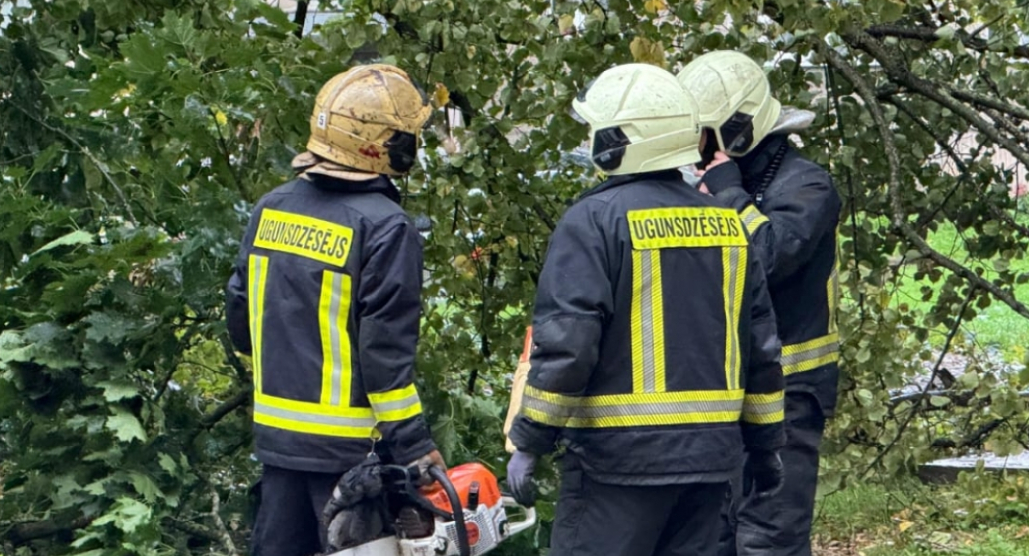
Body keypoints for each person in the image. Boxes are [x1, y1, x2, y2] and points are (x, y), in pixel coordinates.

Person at [506, 63, 787, 556]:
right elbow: (761, 349)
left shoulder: (592, 222)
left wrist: (531, 440)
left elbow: (569, 346)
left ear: (616, 142)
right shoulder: (729, 227)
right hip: (710, 464)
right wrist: (766, 447)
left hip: (616, 467)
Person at [225, 63, 445, 556]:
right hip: (353, 461)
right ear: (389, 144)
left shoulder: (272, 209)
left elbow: (241, 323)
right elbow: (385, 356)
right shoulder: (386, 228)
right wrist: (414, 446)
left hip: (278, 443)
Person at [677, 51, 842, 556]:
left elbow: (768, 259)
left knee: (769, 539)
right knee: (714, 536)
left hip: (790, 393)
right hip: (719, 393)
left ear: (737, 131)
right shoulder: (710, 187)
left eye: (703, 135)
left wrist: (728, 195)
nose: (695, 148)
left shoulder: (807, 186)